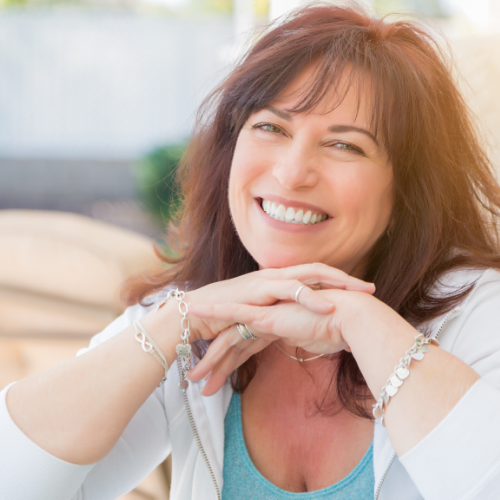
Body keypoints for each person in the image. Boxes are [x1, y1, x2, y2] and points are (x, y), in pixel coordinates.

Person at [2, 4, 500, 500]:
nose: (291, 173)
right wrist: (171, 322)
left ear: (408, 191)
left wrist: (357, 321)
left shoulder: (478, 314)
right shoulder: (195, 313)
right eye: (271, 128)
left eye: (345, 146)